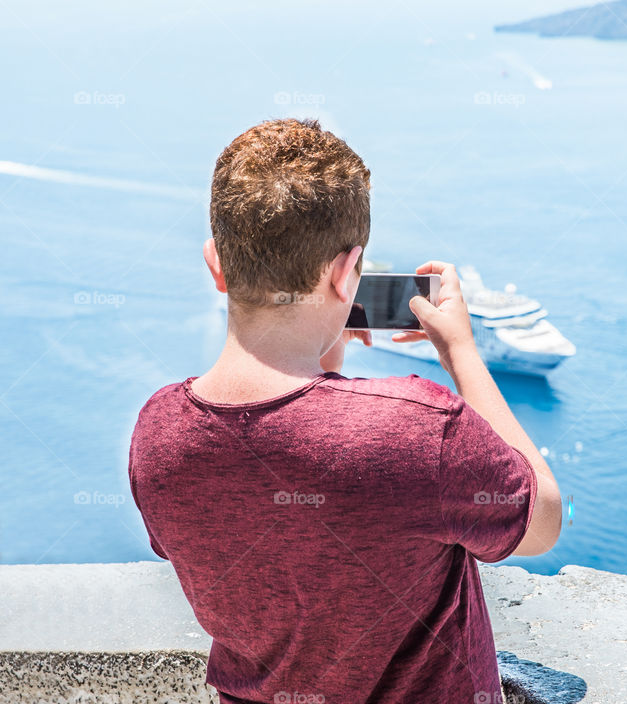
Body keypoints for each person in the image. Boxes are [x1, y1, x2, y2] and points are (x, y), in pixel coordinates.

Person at [128, 118, 562, 704]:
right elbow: (541, 522)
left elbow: (287, 484)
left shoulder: (159, 433)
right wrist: (460, 351)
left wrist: (321, 348)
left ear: (217, 265)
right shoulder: (420, 428)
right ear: (345, 273)